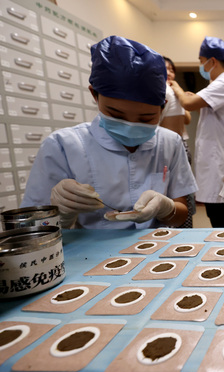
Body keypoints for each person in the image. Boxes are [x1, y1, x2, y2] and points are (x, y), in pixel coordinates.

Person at [21, 35, 198, 229]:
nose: (131, 126)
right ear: (94, 95)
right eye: (117, 115)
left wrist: (167, 209)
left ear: (162, 107)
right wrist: (60, 215)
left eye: (146, 119)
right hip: (90, 255)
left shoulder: (170, 143)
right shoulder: (61, 146)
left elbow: (181, 215)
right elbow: (32, 231)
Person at [169, 36, 224, 227]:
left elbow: (188, 104)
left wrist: (176, 87)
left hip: (218, 162)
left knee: (221, 218)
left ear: (212, 61)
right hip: (213, 161)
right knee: (216, 215)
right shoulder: (217, 86)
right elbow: (195, 101)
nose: (202, 67)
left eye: (202, 62)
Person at [161, 56, 195, 228]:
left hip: (180, 145)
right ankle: (182, 228)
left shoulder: (172, 91)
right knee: (178, 193)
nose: (169, 72)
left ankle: (182, 228)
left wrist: (181, 94)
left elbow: (187, 118)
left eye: (172, 69)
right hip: (169, 147)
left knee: (180, 194)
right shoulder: (163, 91)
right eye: (164, 68)